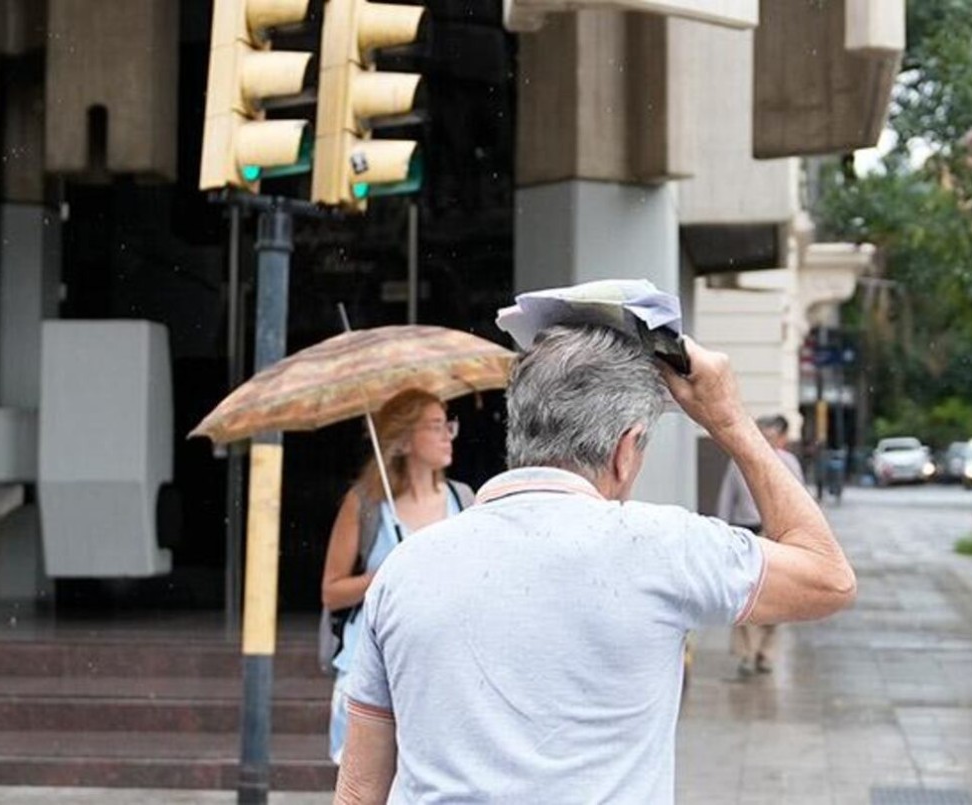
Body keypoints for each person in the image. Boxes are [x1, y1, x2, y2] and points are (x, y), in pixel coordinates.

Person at [335, 326, 855, 803]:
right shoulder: (663, 547)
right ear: (626, 451)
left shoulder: (404, 568)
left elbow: (360, 789)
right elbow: (828, 577)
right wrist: (729, 420)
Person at [320, 388, 474, 764]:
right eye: (435, 426)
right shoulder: (365, 505)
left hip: (445, 665)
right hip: (372, 668)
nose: (446, 435)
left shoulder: (465, 500)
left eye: (448, 425)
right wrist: (382, 577)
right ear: (404, 440)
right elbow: (331, 592)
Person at [716, 414, 804, 677]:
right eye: (761, 433)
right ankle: (745, 654)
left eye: (771, 435)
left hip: (776, 533)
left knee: (776, 595)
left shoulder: (788, 463)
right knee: (742, 594)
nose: (765, 439)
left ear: (781, 438)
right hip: (745, 531)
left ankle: (765, 652)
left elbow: (801, 500)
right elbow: (726, 498)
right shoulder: (738, 462)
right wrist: (721, 532)